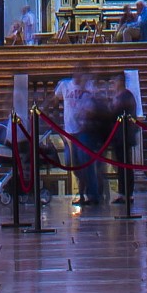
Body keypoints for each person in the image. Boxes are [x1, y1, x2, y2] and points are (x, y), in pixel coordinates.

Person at [56, 67, 107, 207]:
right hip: (70, 131)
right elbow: (55, 98)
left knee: (87, 164)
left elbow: (96, 106)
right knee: (72, 164)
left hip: (85, 132)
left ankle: (91, 194)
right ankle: (86, 192)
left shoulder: (90, 90)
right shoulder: (65, 84)